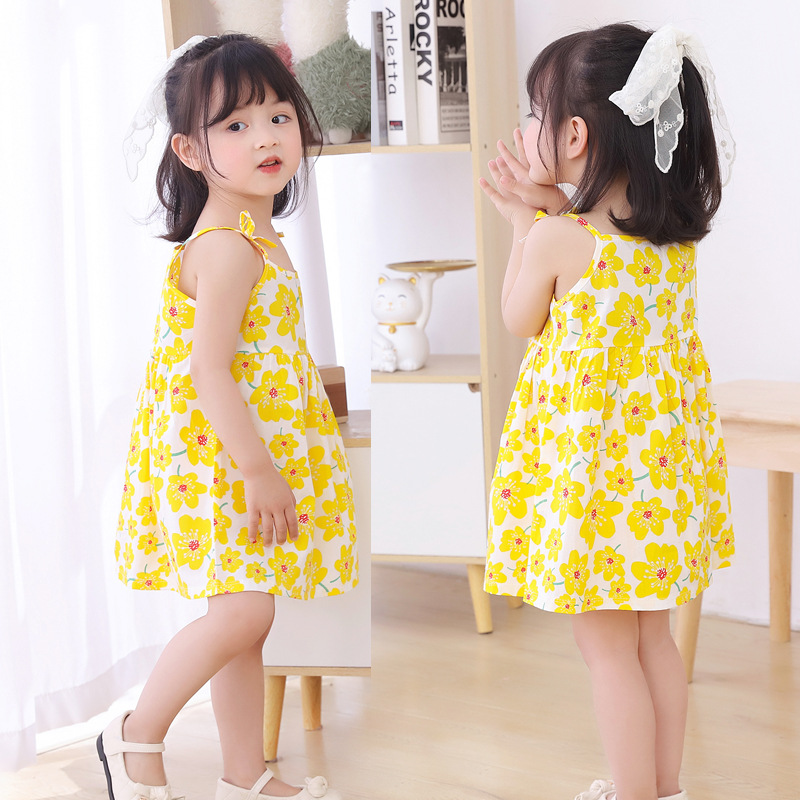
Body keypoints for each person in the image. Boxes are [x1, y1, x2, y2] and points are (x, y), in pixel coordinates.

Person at [479, 23, 735, 800]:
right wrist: (553, 209)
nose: (526, 128)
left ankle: (631, 793)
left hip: (596, 495)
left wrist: (524, 224)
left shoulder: (559, 243)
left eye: (535, 113)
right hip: (658, 489)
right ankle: (663, 788)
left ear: (575, 136)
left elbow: (519, 318)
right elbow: (601, 240)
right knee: (654, 640)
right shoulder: (673, 248)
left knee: (606, 653)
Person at [101, 34, 357, 800]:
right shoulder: (226, 249)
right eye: (237, 126)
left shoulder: (257, 236)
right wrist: (258, 470)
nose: (267, 138)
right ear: (189, 150)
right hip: (221, 460)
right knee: (243, 614)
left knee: (248, 617)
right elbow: (207, 369)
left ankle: (245, 775)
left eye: (279, 116)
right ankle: (134, 732)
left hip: (240, 451)